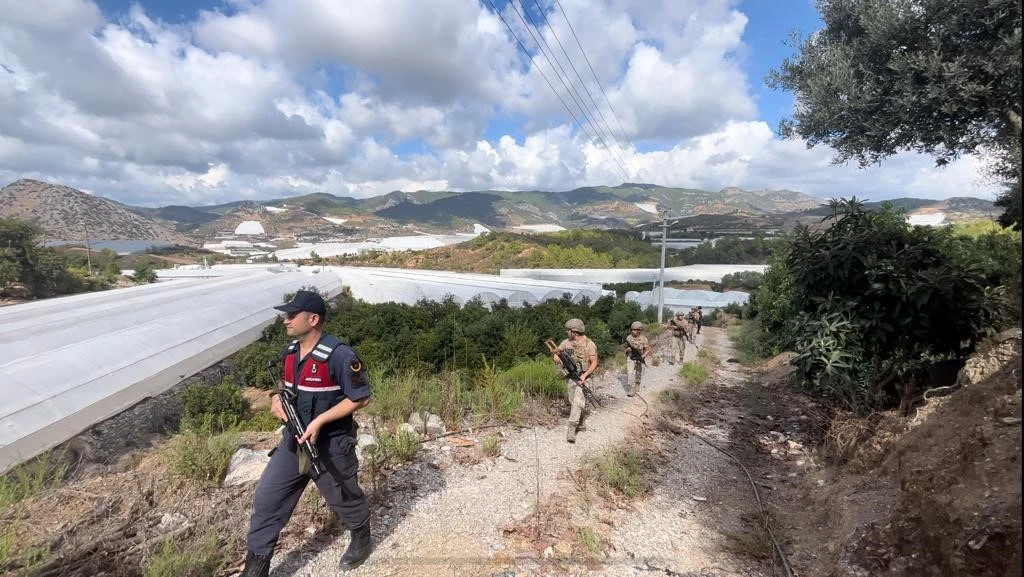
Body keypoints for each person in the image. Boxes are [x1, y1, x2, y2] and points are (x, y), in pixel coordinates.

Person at [240, 290, 373, 577]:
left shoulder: (339, 356)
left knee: (343, 497)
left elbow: (361, 397)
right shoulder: (289, 353)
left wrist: (321, 420)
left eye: (291, 315)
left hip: (331, 444)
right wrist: (277, 400)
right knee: (267, 499)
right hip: (293, 441)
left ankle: (362, 537)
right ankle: (256, 567)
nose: (285, 320)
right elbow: (284, 387)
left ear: (313, 319)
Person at [553, 318, 599, 443]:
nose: (567, 332)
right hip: (571, 376)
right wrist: (557, 358)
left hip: (584, 376)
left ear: (574, 331)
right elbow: (556, 353)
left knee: (578, 400)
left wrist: (585, 376)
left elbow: (594, 362)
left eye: (569, 330)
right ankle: (581, 420)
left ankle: (571, 429)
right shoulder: (566, 343)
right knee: (573, 401)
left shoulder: (589, 344)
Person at [623, 321, 652, 397]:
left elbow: (648, 349)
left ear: (639, 330)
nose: (633, 331)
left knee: (638, 374)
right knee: (630, 373)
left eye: (635, 330)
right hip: (631, 357)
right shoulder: (629, 338)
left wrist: (642, 357)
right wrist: (627, 350)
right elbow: (625, 346)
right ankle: (632, 388)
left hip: (639, 358)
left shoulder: (644, 339)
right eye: (632, 330)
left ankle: (637, 384)